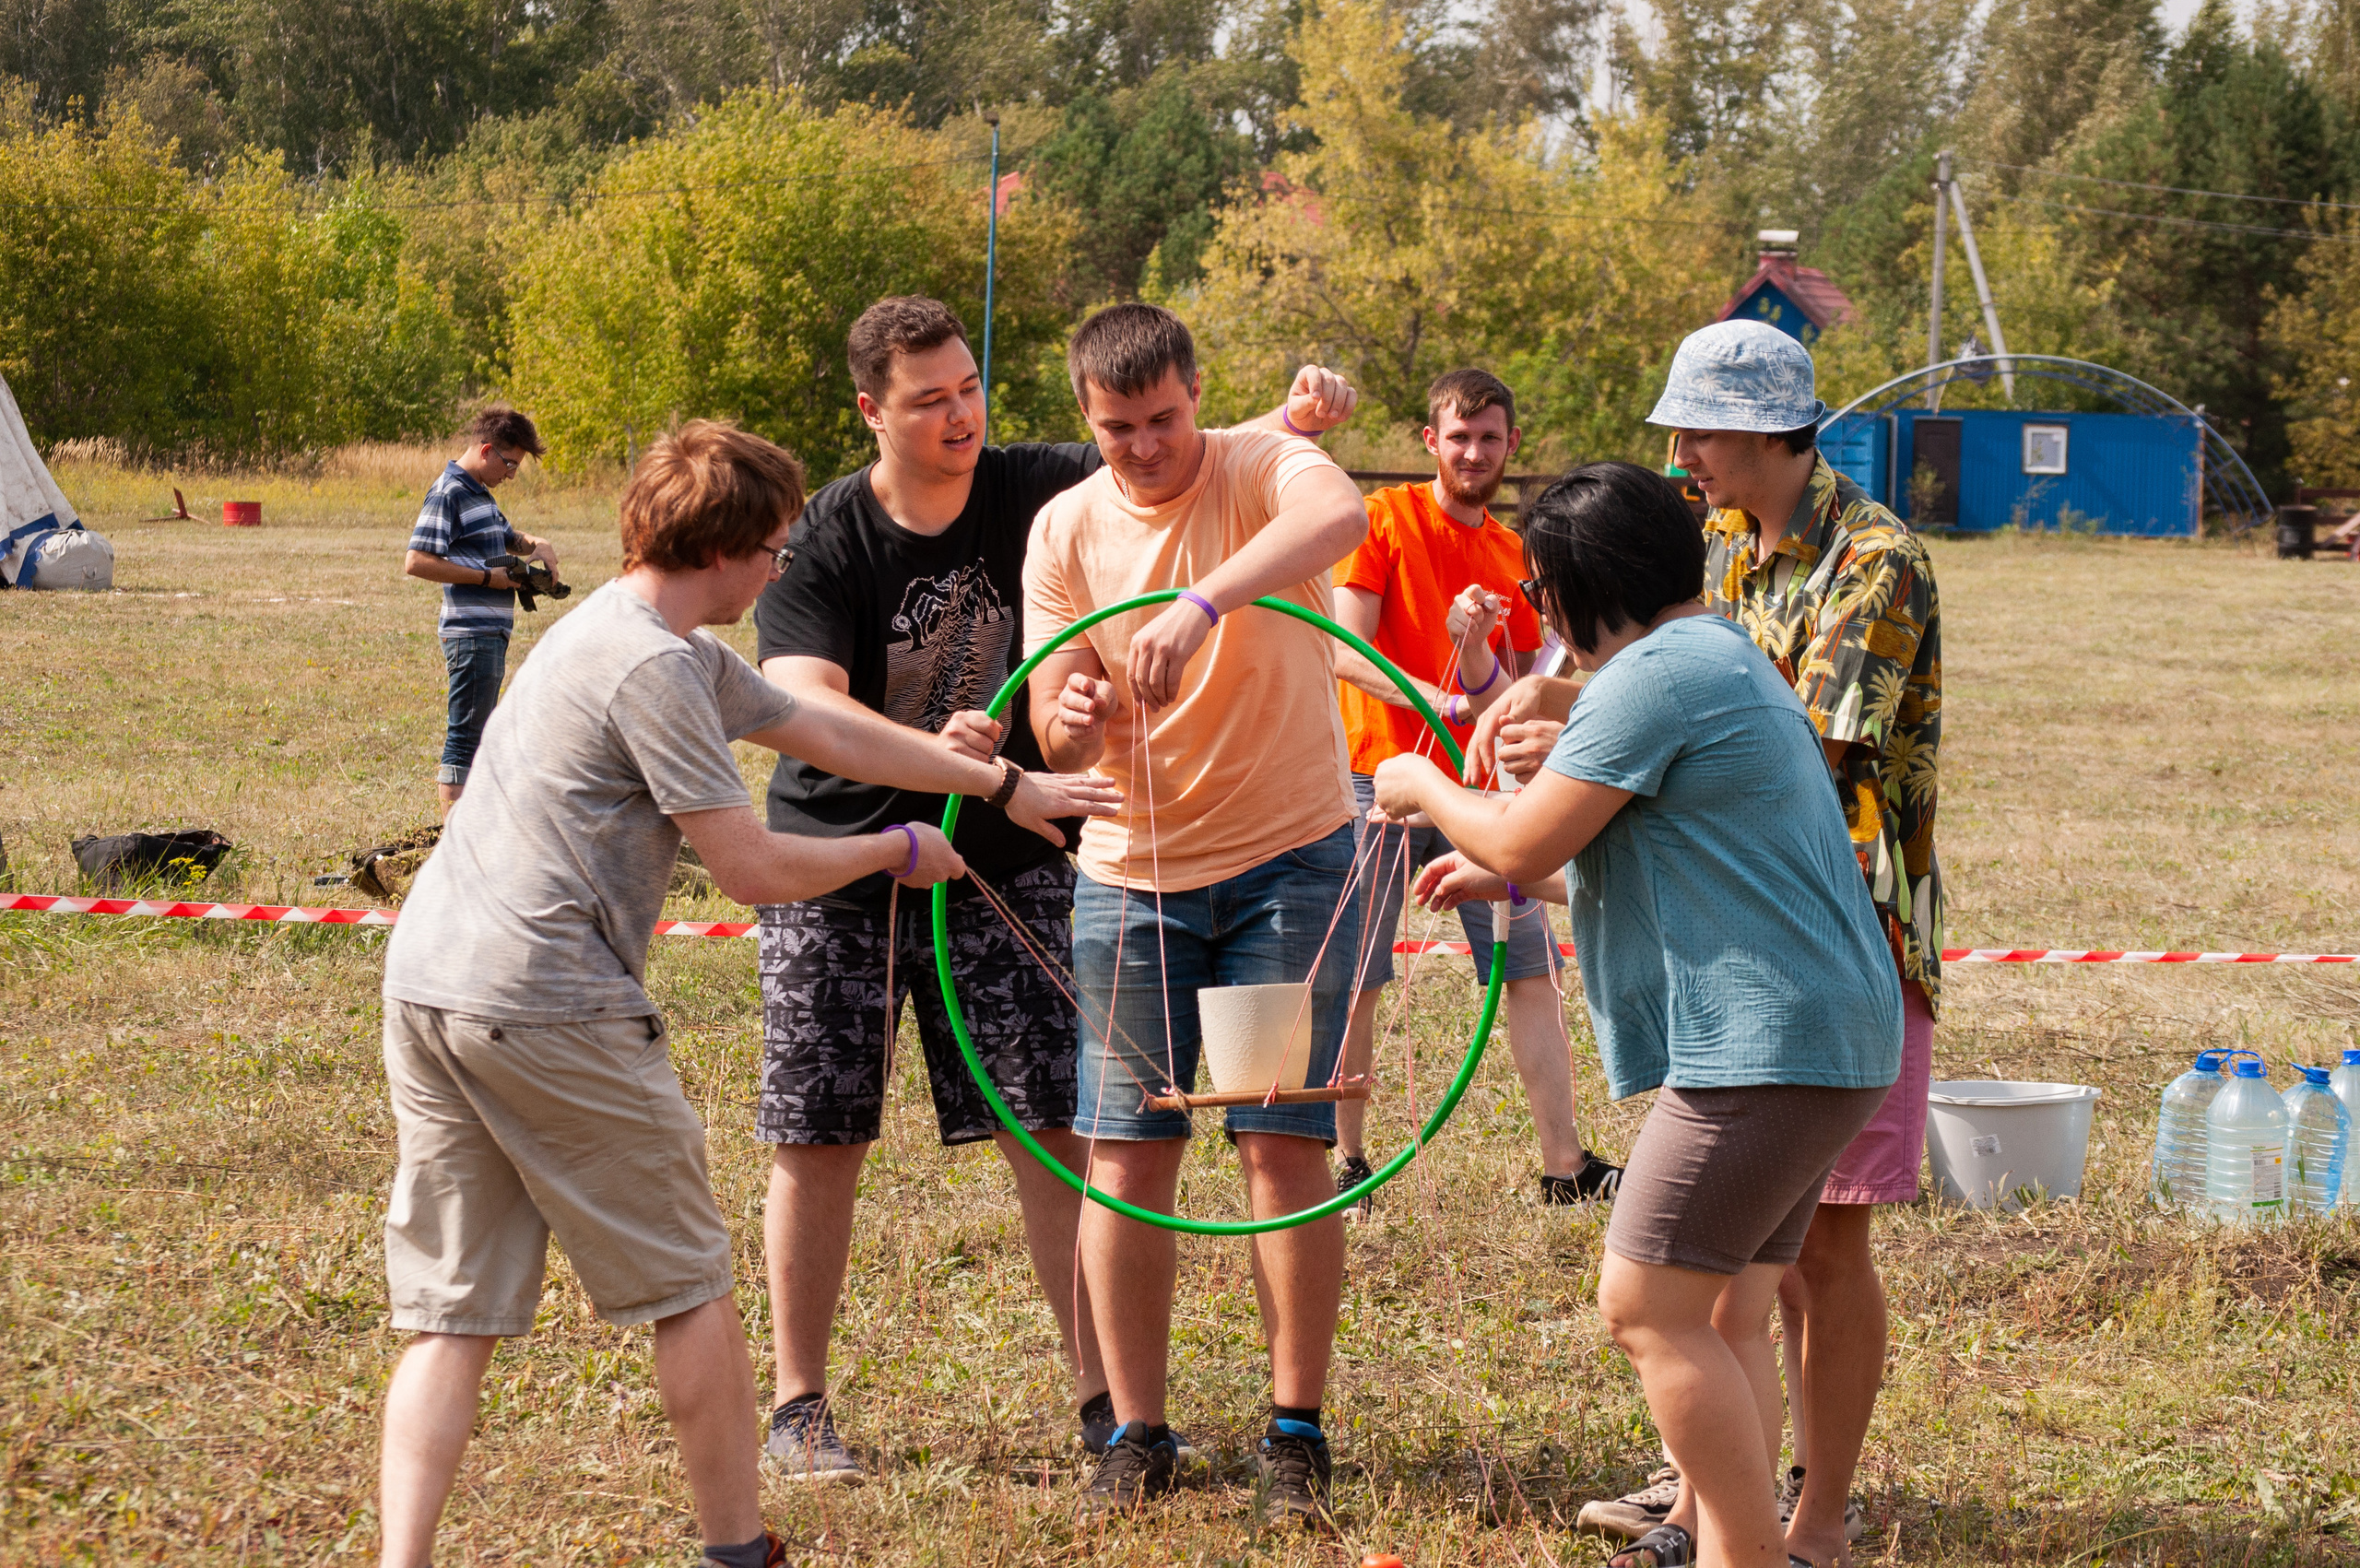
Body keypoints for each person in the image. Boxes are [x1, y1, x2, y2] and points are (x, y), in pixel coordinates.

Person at [373, 419, 1094, 1568]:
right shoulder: (656, 670)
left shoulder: (621, 631)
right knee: (691, 1289)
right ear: (718, 552)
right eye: (768, 550)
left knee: (453, 1313)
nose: (778, 572)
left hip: (429, 987)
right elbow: (754, 870)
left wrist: (998, 783)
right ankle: (737, 1549)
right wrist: (890, 851)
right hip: (547, 999)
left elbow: (813, 724)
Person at [747, 293, 1359, 1478]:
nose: (960, 414)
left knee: (1153, 1135)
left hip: (1133, 864)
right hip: (870, 860)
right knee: (838, 1135)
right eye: (929, 400)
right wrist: (1034, 738)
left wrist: (1198, 594)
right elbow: (811, 707)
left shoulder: (1082, 481)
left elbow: (1263, 481)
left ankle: (1195, 1419)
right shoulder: (852, 537)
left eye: (969, 387)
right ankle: (815, 1405)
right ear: (871, 412)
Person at [1367, 460, 1903, 1568]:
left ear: (1571, 588)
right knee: (1716, 1316)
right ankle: (1719, 1540)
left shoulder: (1650, 677)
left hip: (1770, 1043)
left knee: (1644, 1306)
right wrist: (1512, 871)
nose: (1537, 612)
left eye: (1538, 590)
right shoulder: (1717, 658)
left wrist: (1421, 793)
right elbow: (1671, 858)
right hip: (1824, 1036)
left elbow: (1520, 834)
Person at [1481, 323, 1941, 1568]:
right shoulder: (1716, 588)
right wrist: (1571, 757)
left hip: (1813, 973)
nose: (1686, 453)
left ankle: (1799, 1531)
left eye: (1702, 431)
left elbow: (1768, 739)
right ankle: (1721, 1518)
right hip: (1767, 976)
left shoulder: (1868, 565)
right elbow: (1685, 771)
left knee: (1699, 1289)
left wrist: (1490, 772)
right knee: (1732, 1295)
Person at [1021, 302, 1369, 1527]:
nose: (1147, 447)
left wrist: (1202, 604)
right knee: (1128, 1156)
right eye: (1118, 429)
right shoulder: (1064, 527)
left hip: (1280, 863)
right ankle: (1137, 1428)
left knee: (1279, 1142)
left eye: (1165, 419)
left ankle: (1294, 1431)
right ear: (1085, 416)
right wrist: (1070, 719)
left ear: (1196, 393)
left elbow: (1341, 516)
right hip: (1130, 879)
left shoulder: (1261, 462)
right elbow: (1053, 718)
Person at [1328, 367, 1619, 1215]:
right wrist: (1442, 695)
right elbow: (1342, 649)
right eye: (1459, 436)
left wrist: (1480, 650)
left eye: (1490, 437)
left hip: (1479, 793)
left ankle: (1565, 1166)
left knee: (1530, 968)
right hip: (1374, 778)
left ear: (1510, 445)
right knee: (1359, 974)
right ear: (1431, 442)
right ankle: (1347, 1163)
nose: (1475, 451)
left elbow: (1521, 689)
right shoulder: (1383, 521)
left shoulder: (1510, 555)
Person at [401, 406, 560, 815]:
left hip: (488, 633)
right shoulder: (449, 491)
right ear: (487, 450)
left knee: (479, 732)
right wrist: (489, 580)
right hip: (469, 635)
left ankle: (468, 831)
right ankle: (454, 843)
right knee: (466, 737)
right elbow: (417, 561)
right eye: (509, 464)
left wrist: (535, 545)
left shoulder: (480, 494)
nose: (511, 474)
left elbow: (508, 537)